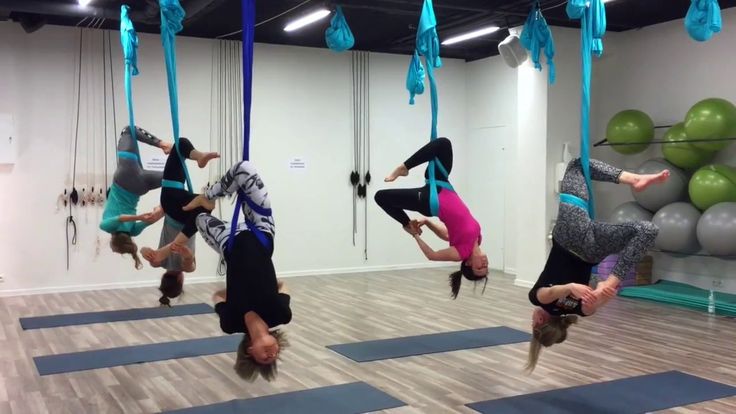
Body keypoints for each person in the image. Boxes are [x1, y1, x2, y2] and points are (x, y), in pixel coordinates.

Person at [526, 158, 668, 371]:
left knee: (648, 230)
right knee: (576, 165)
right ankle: (634, 179)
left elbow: (593, 304)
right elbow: (549, 293)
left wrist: (605, 290)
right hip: (571, 236)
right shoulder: (539, 300)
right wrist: (571, 288)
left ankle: (613, 277)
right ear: (538, 322)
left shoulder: (580, 311)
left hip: (594, 249)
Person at [184, 160, 290, 382]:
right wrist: (265, 280)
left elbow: (217, 296)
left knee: (198, 218)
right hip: (262, 233)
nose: (272, 354)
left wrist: (237, 286)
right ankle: (209, 195)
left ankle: (209, 201)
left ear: (250, 351)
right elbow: (283, 285)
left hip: (229, 243)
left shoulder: (230, 323)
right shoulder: (280, 315)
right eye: (275, 356)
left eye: (264, 358)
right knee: (244, 170)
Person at [375, 137, 488, 298]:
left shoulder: (460, 254)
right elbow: (448, 234)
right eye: (486, 267)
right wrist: (427, 222)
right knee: (443, 144)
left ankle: (406, 222)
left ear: (469, 264)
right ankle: (404, 168)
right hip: (442, 185)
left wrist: (415, 234)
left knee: (381, 197)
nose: (484, 264)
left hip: (431, 200)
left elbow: (432, 255)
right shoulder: (477, 239)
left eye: (479, 268)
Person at [100, 126, 171, 269]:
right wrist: (139, 217)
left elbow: (152, 218)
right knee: (128, 130)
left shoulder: (134, 231)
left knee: (173, 177)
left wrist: (165, 209)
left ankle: (180, 156)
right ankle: (162, 144)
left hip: (141, 187)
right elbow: (120, 218)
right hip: (125, 178)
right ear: (113, 241)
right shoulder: (106, 227)